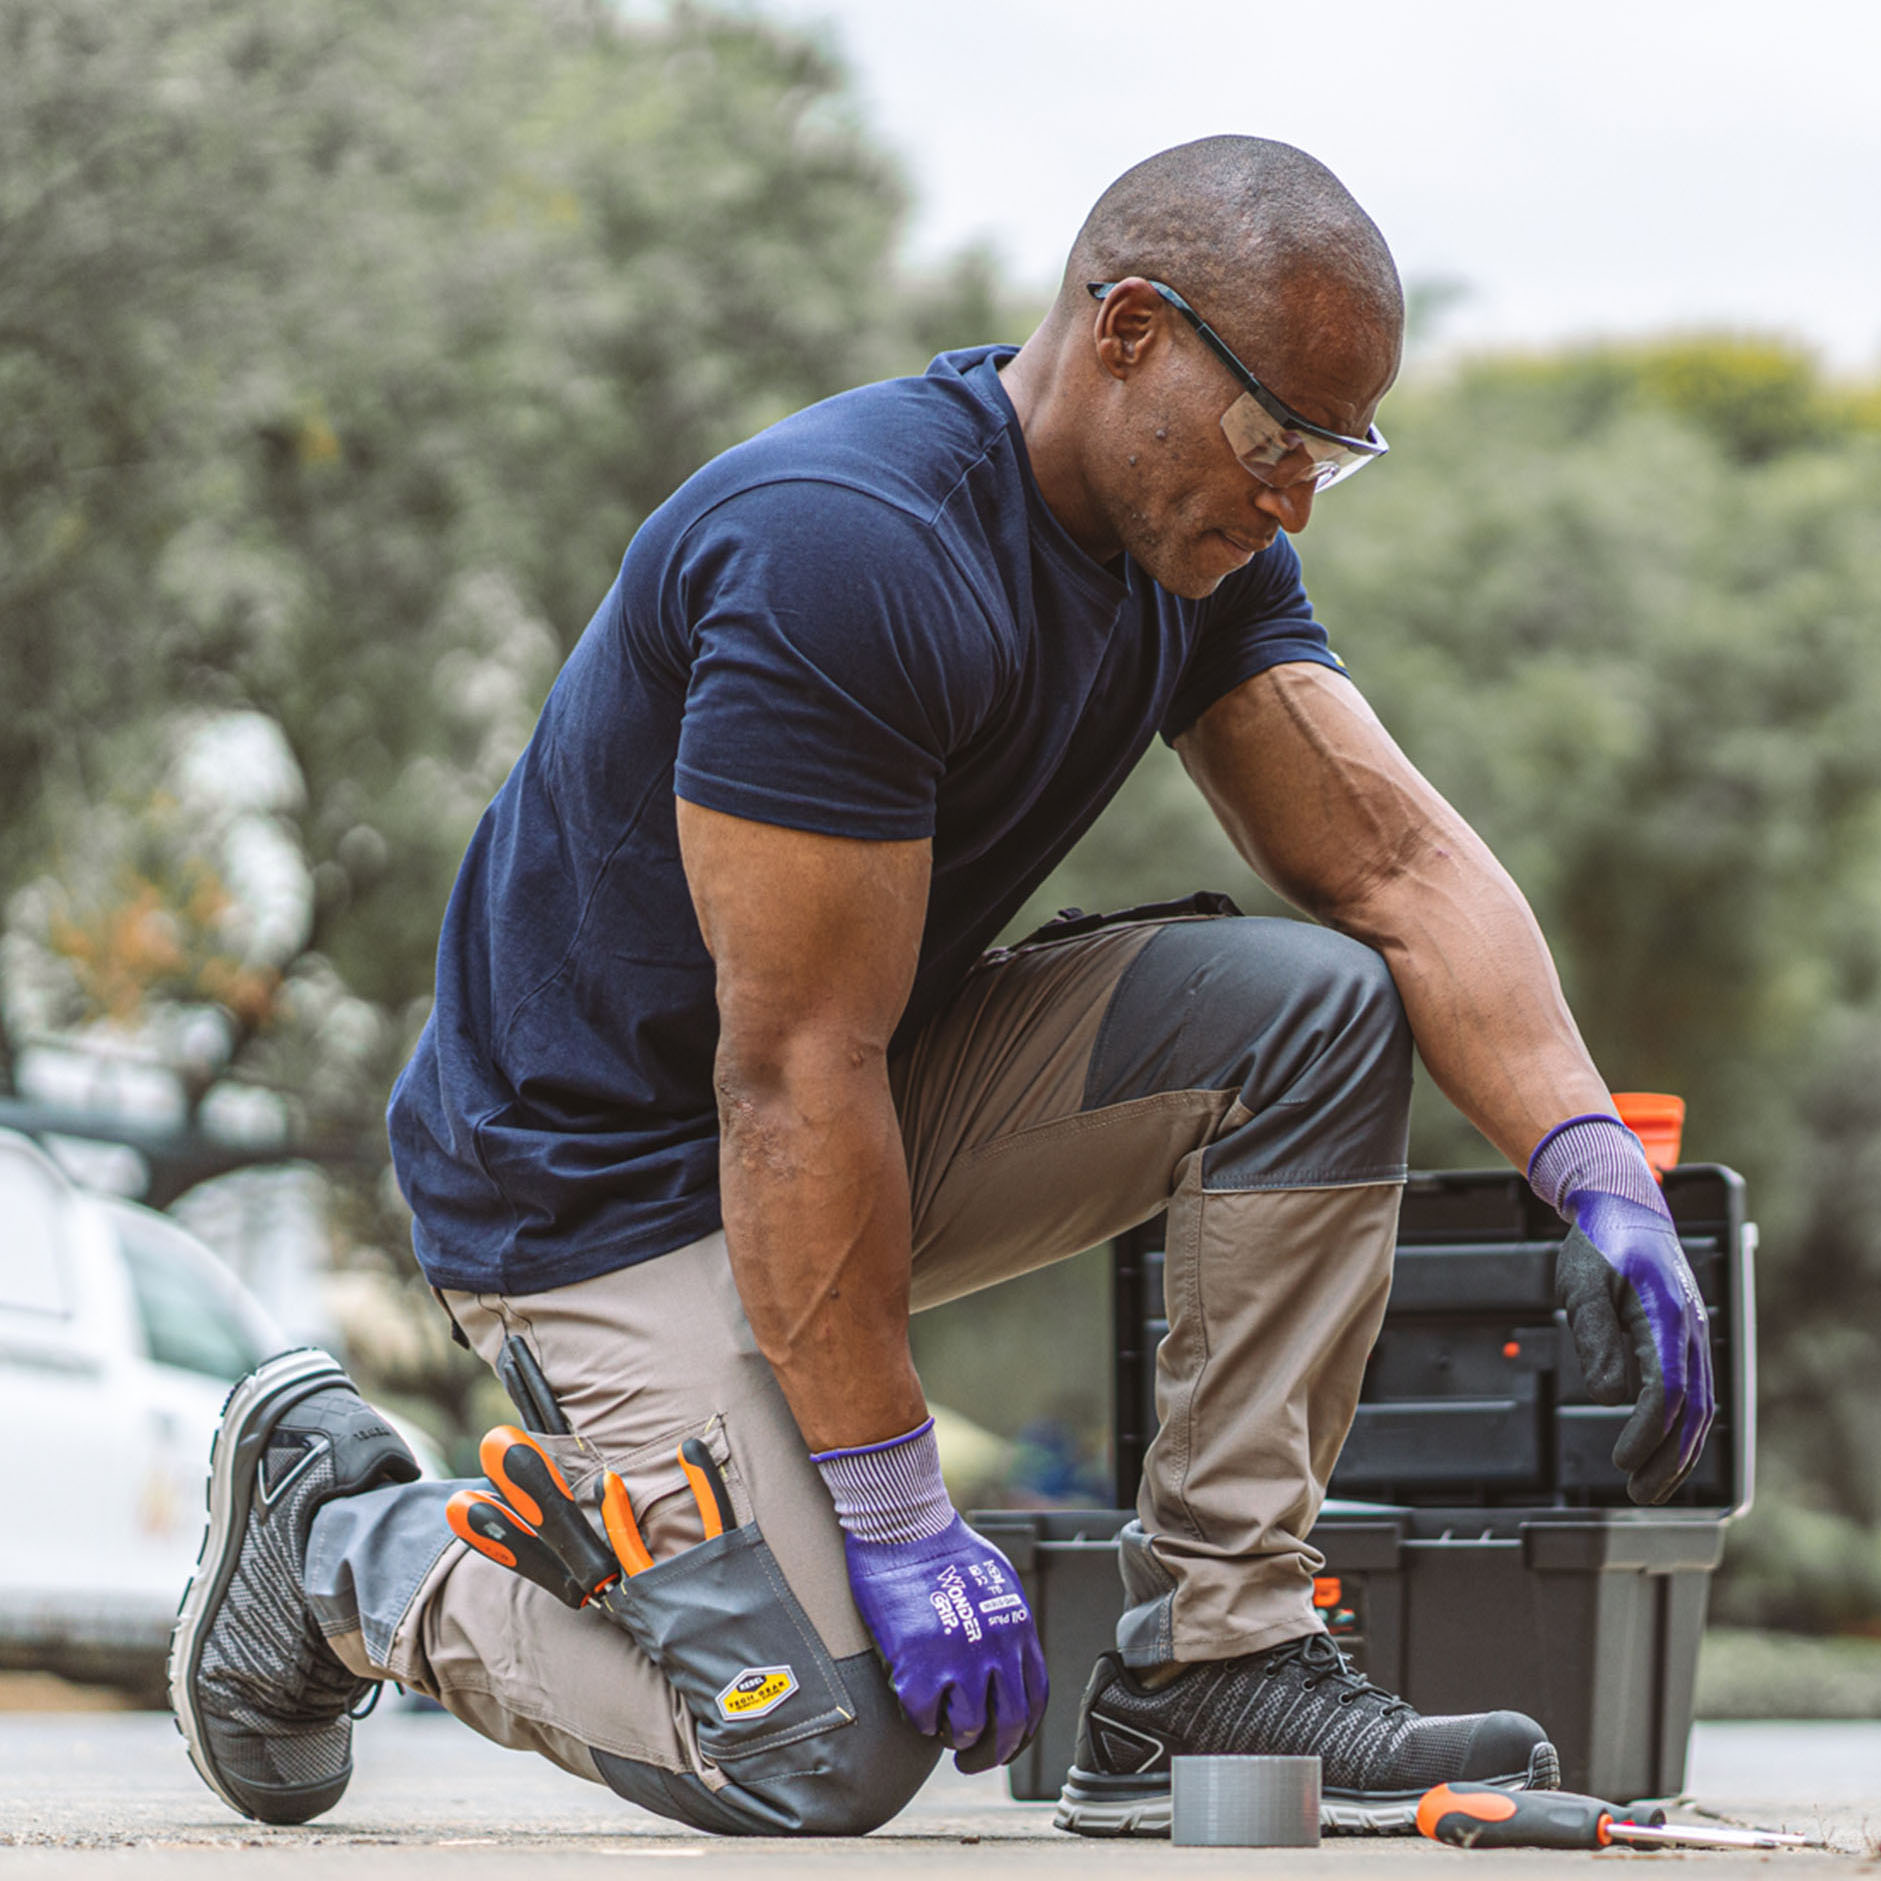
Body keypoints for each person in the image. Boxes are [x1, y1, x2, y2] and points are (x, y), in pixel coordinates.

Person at [170, 135, 1715, 1839]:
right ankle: (344, 1545)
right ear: (1126, 328)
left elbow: (1396, 868)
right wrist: (900, 1515)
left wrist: (1590, 1166)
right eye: (1272, 439)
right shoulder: (849, 550)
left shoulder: (1187, 552)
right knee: (816, 1745)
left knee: (1318, 1007)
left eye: (1328, 464)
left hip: (842, 1113)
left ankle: (1218, 1658)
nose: (1286, 499)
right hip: (595, 1188)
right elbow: (788, 1069)